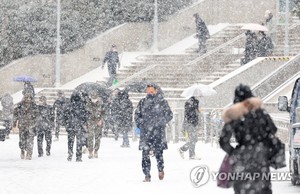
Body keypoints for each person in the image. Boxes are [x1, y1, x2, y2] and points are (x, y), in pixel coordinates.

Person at [219, 84, 280, 194]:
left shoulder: (234, 114)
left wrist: (234, 152)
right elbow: (273, 130)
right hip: (260, 157)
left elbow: (223, 141)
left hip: (242, 159)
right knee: (263, 188)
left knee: (243, 188)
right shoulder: (260, 112)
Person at [134, 84, 173, 182]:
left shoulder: (162, 102)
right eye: (148, 91)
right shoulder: (142, 102)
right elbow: (137, 115)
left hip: (157, 131)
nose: (149, 92)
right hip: (146, 132)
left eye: (151, 91)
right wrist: (141, 124)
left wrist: (161, 122)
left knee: (159, 153)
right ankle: (147, 174)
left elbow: (169, 114)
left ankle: (160, 169)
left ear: (156, 91)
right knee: (145, 154)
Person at [64, 93, 89, 162]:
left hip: (70, 126)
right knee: (79, 142)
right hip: (79, 126)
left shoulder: (68, 106)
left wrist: (66, 124)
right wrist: (83, 123)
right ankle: (78, 156)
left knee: (70, 142)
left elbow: (65, 116)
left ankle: (70, 154)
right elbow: (86, 116)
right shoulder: (82, 105)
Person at [13, 94, 39, 160]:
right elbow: (15, 115)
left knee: (30, 140)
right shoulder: (20, 105)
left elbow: (37, 116)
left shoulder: (34, 106)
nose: (28, 99)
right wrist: (14, 122)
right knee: (22, 140)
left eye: (29, 98)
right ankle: (22, 151)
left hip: (31, 126)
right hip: (22, 125)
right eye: (26, 98)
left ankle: (29, 153)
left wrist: (35, 123)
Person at [86, 93, 105, 159]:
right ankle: (90, 151)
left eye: (95, 98)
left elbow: (104, 113)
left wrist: (101, 120)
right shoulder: (88, 104)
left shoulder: (101, 103)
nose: (94, 100)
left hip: (98, 122)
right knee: (90, 137)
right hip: (90, 122)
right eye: (92, 98)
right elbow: (86, 113)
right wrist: (87, 122)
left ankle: (96, 151)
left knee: (97, 137)